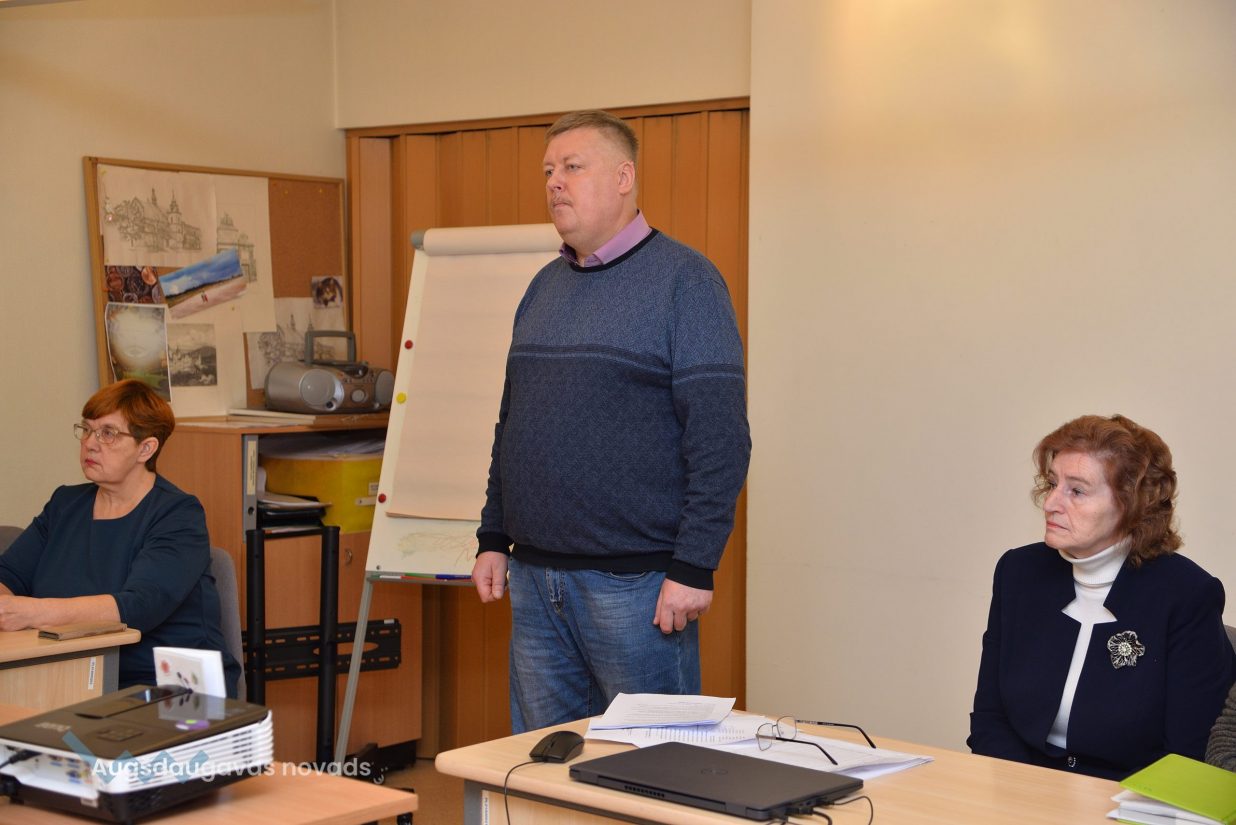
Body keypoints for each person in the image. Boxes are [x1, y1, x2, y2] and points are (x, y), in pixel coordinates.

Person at [471, 110, 751, 732]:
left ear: (624, 178)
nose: (554, 182)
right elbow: (512, 425)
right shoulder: (543, 287)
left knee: (653, 763)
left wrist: (694, 565)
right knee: (542, 767)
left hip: (637, 588)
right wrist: (493, 535)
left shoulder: (686, 282)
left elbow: (721, 438)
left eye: (573, 167)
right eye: (548, 170)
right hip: (535, 580)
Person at [968, 414, 1236, 779]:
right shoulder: (1019, 572)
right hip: (1023, 785)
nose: (1050, 503)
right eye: (1052, 484)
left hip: (1127, 795)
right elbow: (991, 718)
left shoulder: (1186, 594)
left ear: (1131, 504)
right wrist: (1024, 791)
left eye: (1076, 491)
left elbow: (1186, 755)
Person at [0, 379, 241, 698]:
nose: (90, 443)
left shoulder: (178, 514)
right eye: (87, 430)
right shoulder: (65, 504)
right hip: (72, 675)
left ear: (146, 448)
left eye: (108, 433)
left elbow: (139, 605)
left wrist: (30, 612)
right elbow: (9, 575)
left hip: (175, 688)